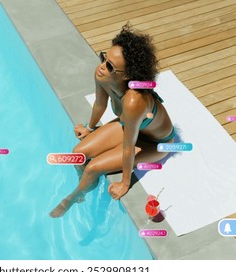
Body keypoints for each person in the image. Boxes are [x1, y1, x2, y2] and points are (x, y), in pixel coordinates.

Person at [50, 23, 175, 218]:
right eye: (103, 58)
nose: (102, 66)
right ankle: (84, 186)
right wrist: (90, 127)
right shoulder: (102, 75)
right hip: (132, 127)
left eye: (110, 66)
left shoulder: (134, 101)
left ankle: (72, 198)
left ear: (127, 75)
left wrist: (125, 183)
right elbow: (100, 104)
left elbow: (128, 147)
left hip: (157, 144)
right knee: (78, 154)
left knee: (92, 168)